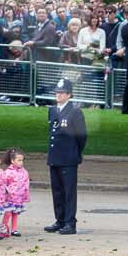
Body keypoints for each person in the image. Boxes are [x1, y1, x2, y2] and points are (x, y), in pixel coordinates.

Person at [45, 76, 85, 235]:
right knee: (57, 190)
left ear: (69, 95)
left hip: (68, 157)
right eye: (57, 93)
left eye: (62, 93)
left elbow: (81, 136)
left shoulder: (75, 111)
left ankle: (70, 222)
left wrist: (76, 153)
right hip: (55, 156)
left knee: (68, 192)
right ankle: (60, 220)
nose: (58, 95)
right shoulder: (52, 110)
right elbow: (52, 133)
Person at [0, 149, 30, 239]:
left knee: (15, 213)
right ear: (12, 161)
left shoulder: (24, 172)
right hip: (8, 197)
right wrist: (8, 192)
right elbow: (3, 182)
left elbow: (26, 184)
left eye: (22, 160)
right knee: (6, 213)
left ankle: (13, 229)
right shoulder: (8, 172)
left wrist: (26, 195)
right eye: (19, 160)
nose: (21, 162)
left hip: (19, 196)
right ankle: (2, 228)